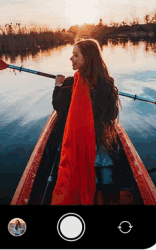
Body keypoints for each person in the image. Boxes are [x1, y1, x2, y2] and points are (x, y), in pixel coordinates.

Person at [51, 38, 136, 205]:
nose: (71, 59)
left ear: (87, 58)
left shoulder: (70, 83)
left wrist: (57, 86)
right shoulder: (107, 83)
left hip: (80, 144)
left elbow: (58, 106)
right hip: (102, 143)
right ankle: (106, 191)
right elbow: (111, 116)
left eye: (75, 55)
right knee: (106, 176)